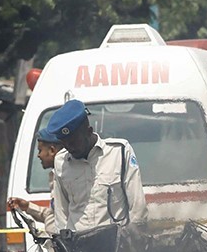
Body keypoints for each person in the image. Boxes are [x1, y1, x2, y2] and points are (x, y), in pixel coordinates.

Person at [47, 99, 148, 230]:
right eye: (64, 143)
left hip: (116, 245)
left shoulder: (119, 152)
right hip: (79, 246)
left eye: (74, 142)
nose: (69, 148)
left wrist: (134, 240)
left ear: (89, 131)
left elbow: (137, 206)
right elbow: (61, 214)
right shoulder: (61, 161)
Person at [7, 129, 61, 233]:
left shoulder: (65, 178)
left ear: (52, 151)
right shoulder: (55, 176)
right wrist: (27, 206)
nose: (38, 155)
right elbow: (53, 216)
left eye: (40, 150)